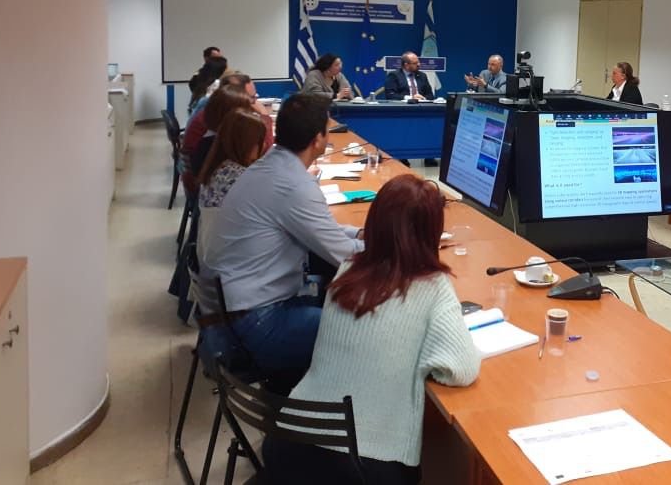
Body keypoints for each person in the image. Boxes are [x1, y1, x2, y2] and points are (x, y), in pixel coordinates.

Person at [261, 174, 480, 484]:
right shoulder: (434, 287)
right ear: (433, 232)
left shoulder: (348, 267)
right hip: (360, 467)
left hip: (288, 444)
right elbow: (462, 369)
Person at [199, 93, 365, 391]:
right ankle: (319, 408)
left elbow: (320, 230)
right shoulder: (293, 185)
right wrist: (396, 244)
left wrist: (359, 234)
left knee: (333, 292)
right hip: (257, 323)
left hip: (237, 309)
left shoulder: (270, 166)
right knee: (358, 327)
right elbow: (346, 257)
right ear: (318, 139)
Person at [194, 109, 269, 316]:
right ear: (245, 144)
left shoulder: (218, 168)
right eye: (259, 143)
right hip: (235, 278)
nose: (264, 147)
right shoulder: (242, 179)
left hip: (215, 267)